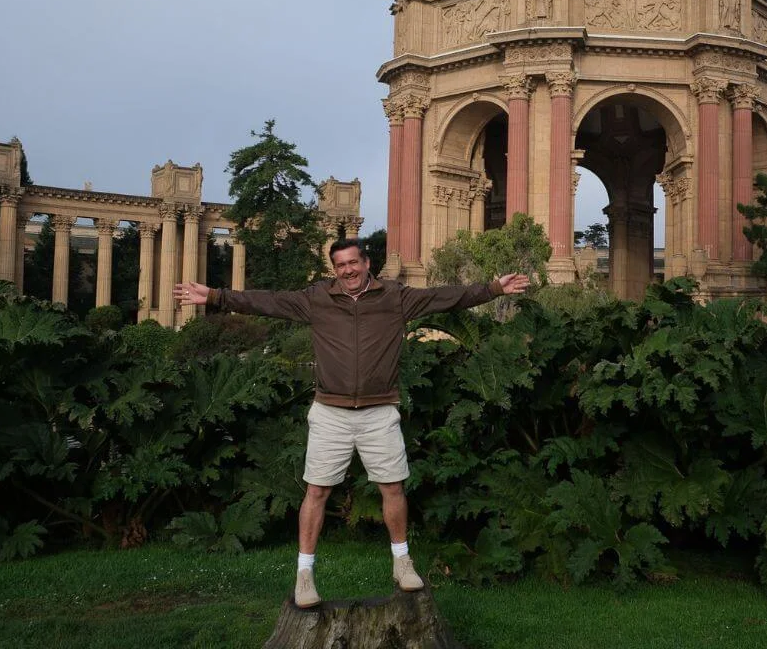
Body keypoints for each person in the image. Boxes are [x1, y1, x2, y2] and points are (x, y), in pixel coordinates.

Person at [173, 238, 529, 607]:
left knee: (392, 488)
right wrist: (215, 296)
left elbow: (445, 296)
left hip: (380, 412)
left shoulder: (395, 297)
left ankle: (402, 562)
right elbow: (269, 302)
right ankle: (305, 575)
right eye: (340, 265)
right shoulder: (317, 298)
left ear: (366, 262)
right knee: (316, 492)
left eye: (353, 263)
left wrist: (492, 289)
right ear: (334, 269)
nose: (347, 270)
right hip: (330, 413)